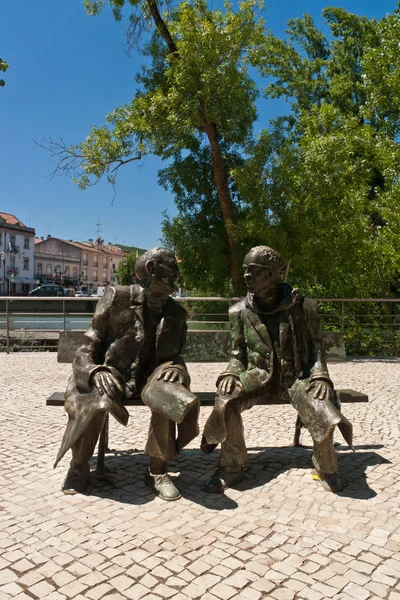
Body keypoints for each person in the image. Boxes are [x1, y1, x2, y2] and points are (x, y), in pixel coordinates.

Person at [201, 245, 352, 494]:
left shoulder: (302, 307)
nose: (247, 276)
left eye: (254, 271)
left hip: (295, 378)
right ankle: (231, 467)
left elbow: (315, 349)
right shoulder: (238, 312)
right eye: (245, 271)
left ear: (273, 274)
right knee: (226, 399)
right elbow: (237, 356)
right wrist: (229, 374)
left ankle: (326, 467)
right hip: (256, 377)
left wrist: (321, 376)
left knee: (322, 401)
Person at [54, 247, 199, 501]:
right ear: (152, 270)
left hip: (152, 378)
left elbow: (177, 355)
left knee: (165, 389)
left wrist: (176, 368)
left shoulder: (177, 314)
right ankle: (78, 465)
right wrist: (94, 370)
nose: (177, 273)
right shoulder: (117, 297)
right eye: (171, 267)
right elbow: (86, 349)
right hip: (114, 375)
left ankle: (158, 470)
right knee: (99, 396)